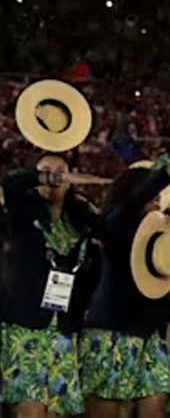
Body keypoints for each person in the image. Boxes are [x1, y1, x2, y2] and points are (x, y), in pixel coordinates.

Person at [81, 141, 170, 418]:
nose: (158, 197)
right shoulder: (118, 222)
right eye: (152, 192)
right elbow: (144, 192)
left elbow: (166, 283)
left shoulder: (162, 232)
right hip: (113, 331)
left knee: (154, 411)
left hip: (153, 333)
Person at [0, 154, 99, 418]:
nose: (55, 177)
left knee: (55, 414)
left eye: (61, 172)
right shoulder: (22, 215)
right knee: (31, 413)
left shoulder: (80, 222)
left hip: (63, 331)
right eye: (47, 171)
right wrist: (43, 176)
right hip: (26, 329)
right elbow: (10, 183)